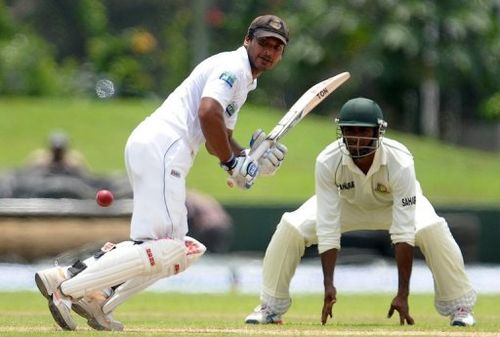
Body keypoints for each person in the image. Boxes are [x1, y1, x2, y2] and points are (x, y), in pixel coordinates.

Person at [35, 14, 289, 331]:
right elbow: (208, 113)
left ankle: (99, 297)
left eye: (277, 47)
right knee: (170, 248)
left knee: (180, 252)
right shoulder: (233, 68)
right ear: (247, 40)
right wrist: (231, 163)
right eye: (264, 42)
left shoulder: (244, 79)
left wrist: (247, 158)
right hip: (164, 147)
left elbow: (217, 136)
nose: (269, 50)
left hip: (156, 147)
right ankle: (68, 284)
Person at [245, 97, 477, 327]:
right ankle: (271, 307)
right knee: (292, 227)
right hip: (348, 204)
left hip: (394, 205)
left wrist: (402, 295)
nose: (355, 138)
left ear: (378, 132)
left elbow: (404, 232)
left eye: (363, 131)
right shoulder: (328, 160)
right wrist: (329, 286)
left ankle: (459, 306)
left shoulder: (401, 160)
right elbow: (327, 226)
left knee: (431, 228)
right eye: (349, 130)